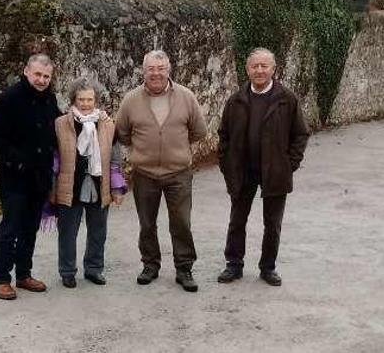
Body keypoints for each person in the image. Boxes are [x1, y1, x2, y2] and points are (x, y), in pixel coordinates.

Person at [115, 50, 207, 292]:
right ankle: (150, 265)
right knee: (147, 223)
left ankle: (184, 268)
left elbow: (199, 131)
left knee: (181, 223)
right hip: (144, 173)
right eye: (150, 69)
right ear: (143, 71)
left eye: (160, 68)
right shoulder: (131, 100)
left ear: (169, 70)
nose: (155, 73)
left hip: (178, 173)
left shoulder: (186, 97)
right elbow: (122, 133)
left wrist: (174, 147)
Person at [216, 48, 310, 286]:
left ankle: (268, 268)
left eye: (264, 66)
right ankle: (234, 265)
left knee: (273, 223)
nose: (259, 70)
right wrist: (227, 165)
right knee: (237, 220)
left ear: (273, 69)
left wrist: (289, 164)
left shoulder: (287, 100)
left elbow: (300, 134)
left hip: (275, 172)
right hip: (243, 171)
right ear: (247, 69)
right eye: (254, 66)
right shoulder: (236, 100)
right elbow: (224, 135)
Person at [0, 54, 61, 300]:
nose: (41, 80)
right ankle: (2, 279)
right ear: (26, 71)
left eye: (46, 76)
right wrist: (17, 160)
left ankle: (24, 274)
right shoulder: (9, 99)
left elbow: (61, 128)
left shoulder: (49, 100)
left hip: (39, 178)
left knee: (30, 228)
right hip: (14, 178)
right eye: (38, 74)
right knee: (11, 228)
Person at [52, 77, 127, 289]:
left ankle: (94, 269)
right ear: (73, 99)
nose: (86, 104)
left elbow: (114, 161)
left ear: (96, 100)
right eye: (81, 99)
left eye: (90, 99)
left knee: (98, 230)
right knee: (67, 231)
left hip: (98, 185)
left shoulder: (107, 125)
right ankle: (67, 271)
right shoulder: (60, 124)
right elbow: (55, 158)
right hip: (70, 185)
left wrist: (116, 188)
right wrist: (51, 188)